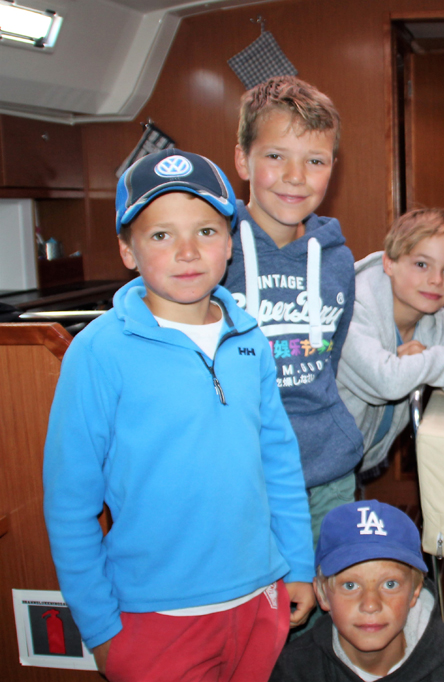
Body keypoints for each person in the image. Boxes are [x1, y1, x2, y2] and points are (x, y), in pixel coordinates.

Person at [43, 149, 315, 680]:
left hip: (259, 599)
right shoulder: (98, 352)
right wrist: (99, 627)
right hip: (154, 618)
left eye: (206, 232)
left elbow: (279, 462)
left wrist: (298, 564)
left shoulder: (249, 338)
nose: (188, 252)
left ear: (230, 243)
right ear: (128, 250)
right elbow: (70, 503)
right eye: (162, 235)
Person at [225, 75, 361, 543]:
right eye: (276, 156)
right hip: (244, 475)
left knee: (330, 584)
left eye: (315, 160)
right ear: (242, 159)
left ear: (332, 168)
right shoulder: (215, 252)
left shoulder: (338, 261)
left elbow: (329, 356)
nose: (296, 176)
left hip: (328, 471)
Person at [336, 207, 444, 477]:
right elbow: (388, 382)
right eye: (422, 264)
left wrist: (434, 360)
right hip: (303, 466)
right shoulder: (350, 309)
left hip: (358, 464)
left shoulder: (443, 323)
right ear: (389, 263)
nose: (436, 280)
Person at [271, 500, 444, 681]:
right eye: (350, 585)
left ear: (415, 591)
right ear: (322, 593)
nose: (370, 605)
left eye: (390, 584)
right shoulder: (294, 671)